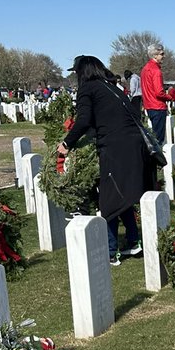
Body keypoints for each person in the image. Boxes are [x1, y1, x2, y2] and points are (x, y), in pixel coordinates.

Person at [58, 55, 154, 265]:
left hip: (116, 146)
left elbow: (84, 119)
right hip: (133, 144)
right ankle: (133, 241)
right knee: (121, 194)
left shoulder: (88, 88)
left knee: (108, 199)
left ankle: (111, 251)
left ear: (82, 71)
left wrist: (67, 143)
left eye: (76, 72)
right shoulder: (111, 87)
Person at [140, 43, 175, 146]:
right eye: (162, 54)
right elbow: (159, 92)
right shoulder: (156, 71)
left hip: (149, 106)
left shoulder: (145, 69)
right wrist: (170, 97)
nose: (164, 56)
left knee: (154, 137)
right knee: (158, 140)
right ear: (155, 55)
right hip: (158, 106)